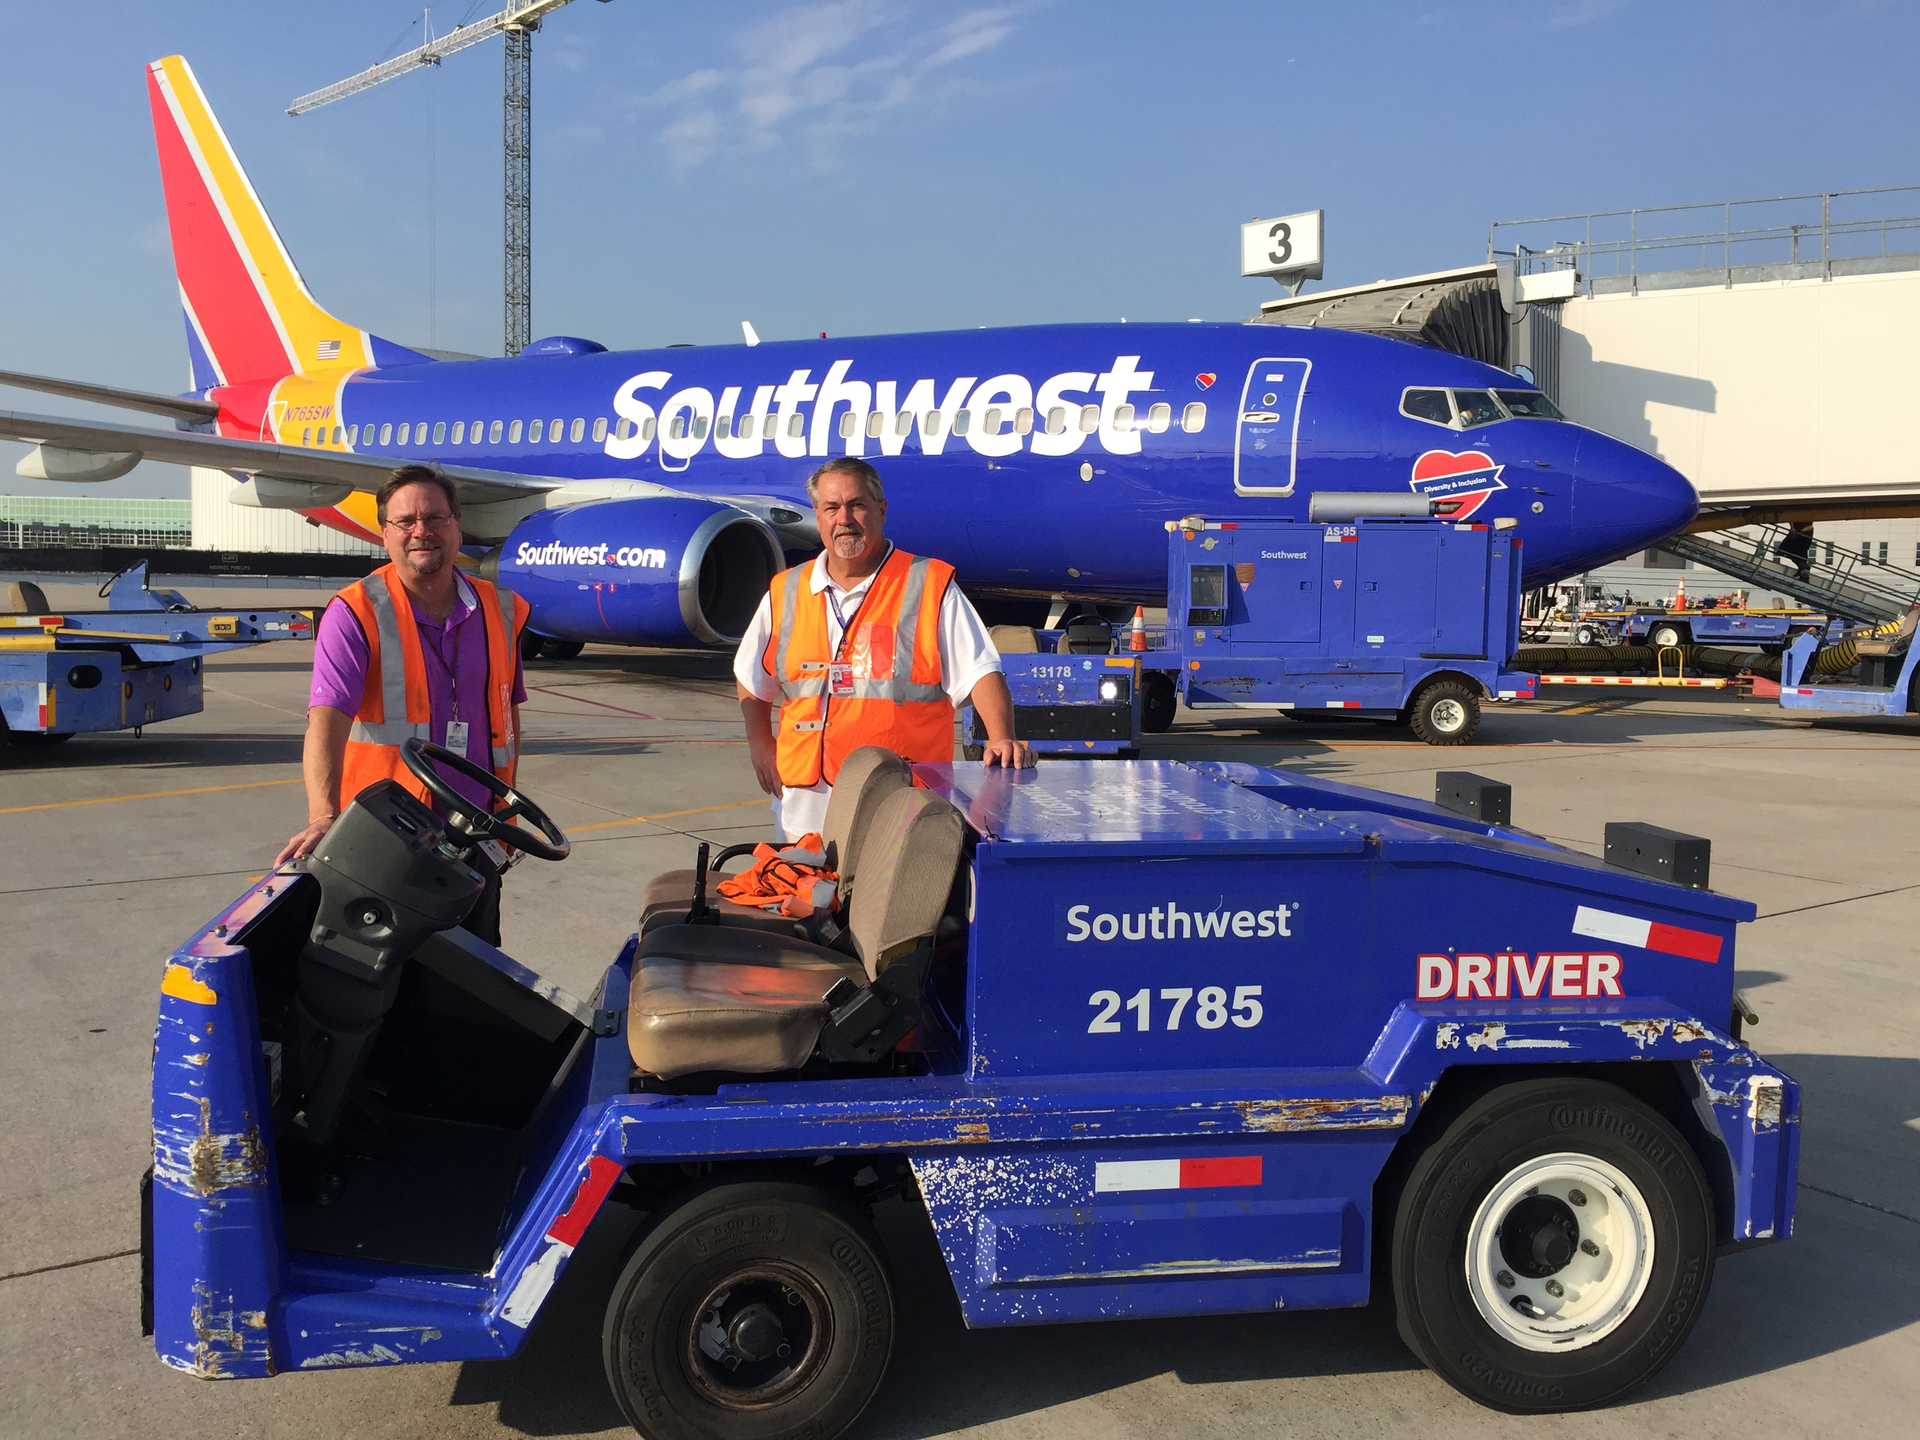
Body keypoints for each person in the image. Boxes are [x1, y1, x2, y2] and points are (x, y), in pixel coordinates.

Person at [275, 465, 531, 944]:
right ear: (384, 533)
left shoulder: (501, 609)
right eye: (405, 521)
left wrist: (504, 815)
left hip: (475, 835)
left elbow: (508, 718)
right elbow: (326, 722)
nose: (422, 532)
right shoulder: (355, 612)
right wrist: (323, 817)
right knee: (383, 978)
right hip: (387, 839)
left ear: (457, 526)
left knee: (475, 974)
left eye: (435, 518)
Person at [734, 458, 1033, 840]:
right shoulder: (786, 590)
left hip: (900, 800)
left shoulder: (927, 585)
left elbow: (982, 671)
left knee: (885, 897)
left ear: (882, 509)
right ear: (818, 515)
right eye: (831, 507)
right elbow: (750, 677)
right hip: (804, 806)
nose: (845, 518)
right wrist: (761, 744)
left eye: (857, 505)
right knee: (806, 898)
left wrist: (1000, 738)